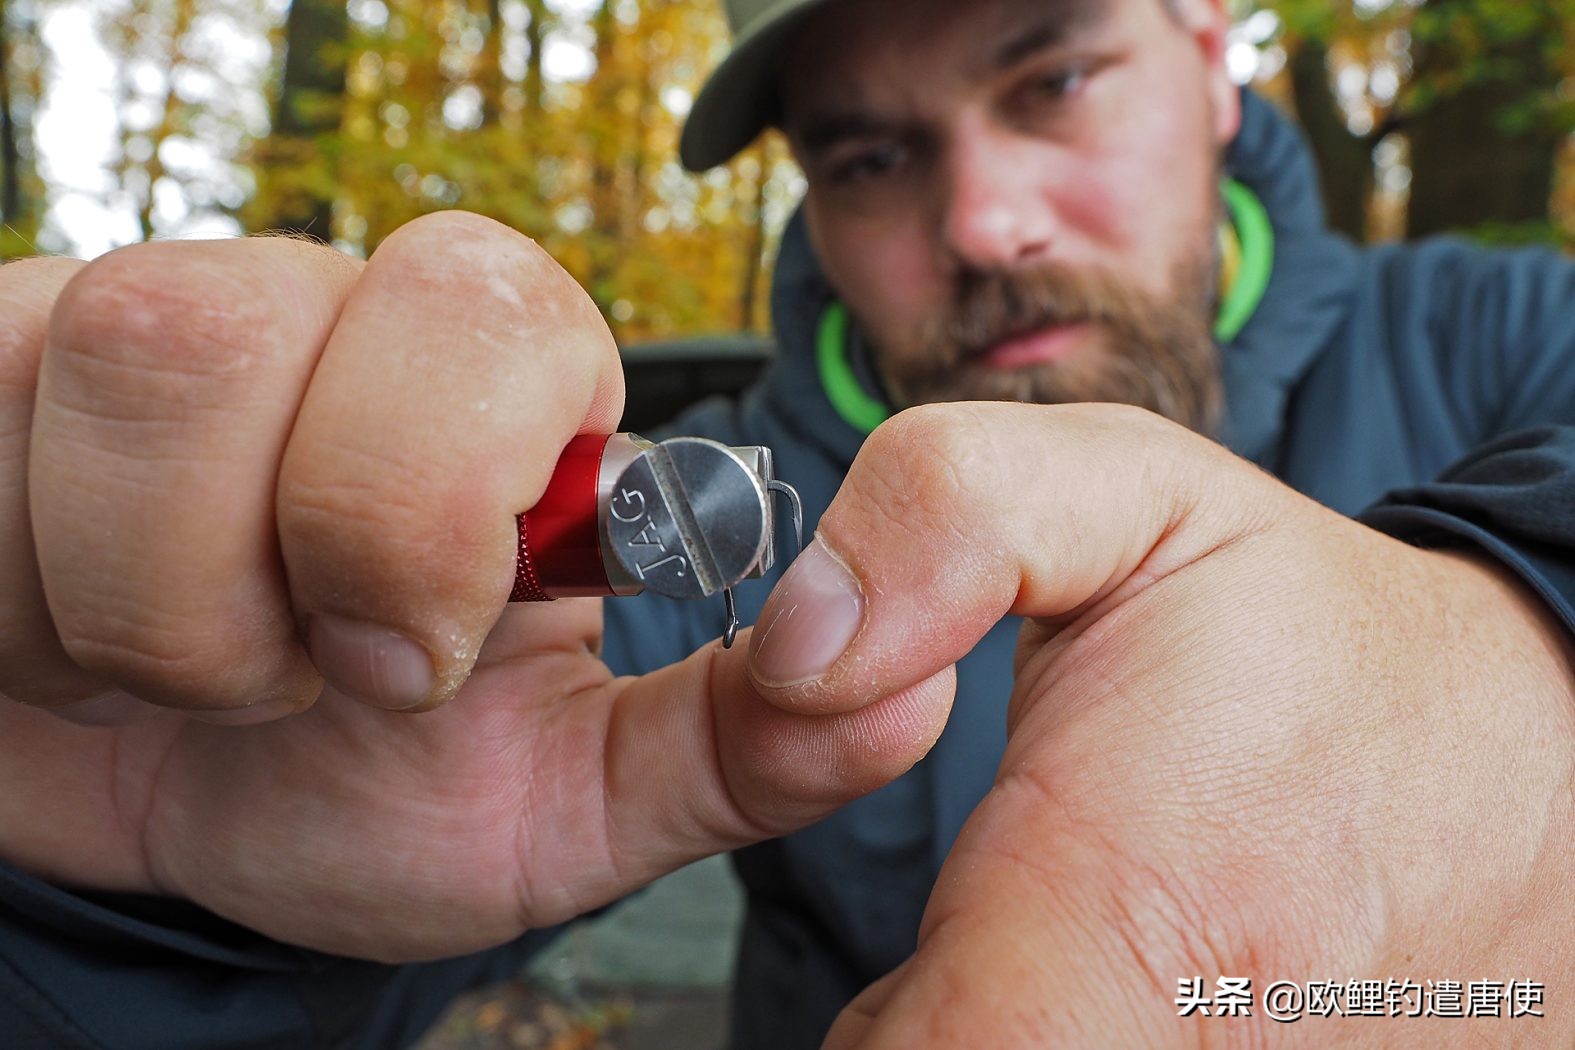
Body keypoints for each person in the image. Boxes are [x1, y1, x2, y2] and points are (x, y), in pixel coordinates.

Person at [1, 0, 1572, 1045]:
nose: (981, 223)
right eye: (871, 155)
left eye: (1056, 79)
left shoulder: (1501, 339)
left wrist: (1514, 628)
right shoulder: (680, 533)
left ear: (1211, 51)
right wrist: (118, 881)